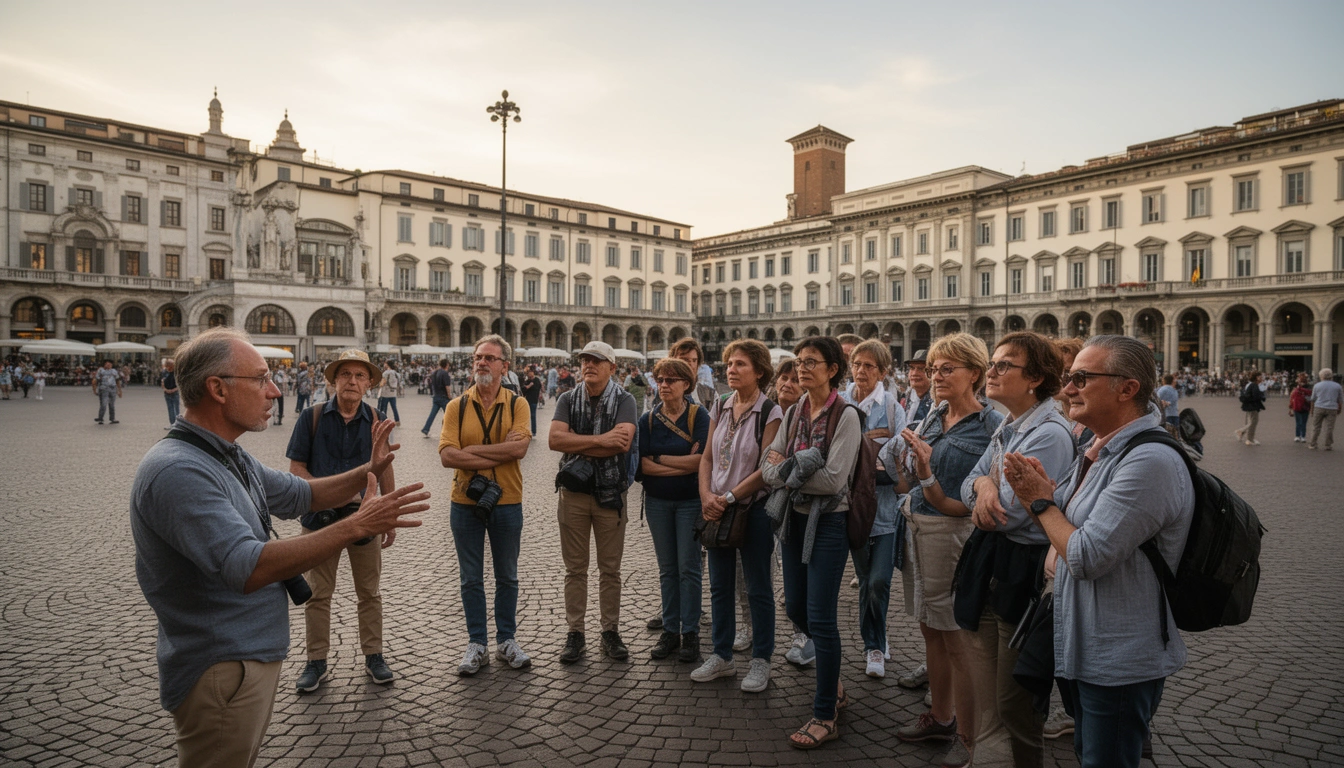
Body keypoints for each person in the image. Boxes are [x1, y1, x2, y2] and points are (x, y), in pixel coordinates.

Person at [130, 327, 429, 768]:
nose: (275, 391)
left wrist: (369, 468)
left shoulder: (226, 453)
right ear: (217, 389)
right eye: (261, 379)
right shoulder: (178, 471)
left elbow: (297, 494)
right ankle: (317, 661)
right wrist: (355, 525)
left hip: (245, 657)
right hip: (221, 665)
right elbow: (247, 566)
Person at [1003, 335, 1195, 768]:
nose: (1067, 388)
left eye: (1081, 378)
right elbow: (1062, 523)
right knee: (1089, 752)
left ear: (1127, 389)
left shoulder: (1149, 461)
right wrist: (1040, 495)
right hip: (1082, 643)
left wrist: (1040, 501)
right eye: (1069, 377)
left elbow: (1086, 555)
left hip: (1120, 657)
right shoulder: (1100, 446)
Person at [959, 332, 1075, 768]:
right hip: (995, 559)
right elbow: (970, 482)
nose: (991, 371)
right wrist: (986, 483)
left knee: (1015, 699)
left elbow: (1008, 513)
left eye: (1004, 365)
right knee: (990, 682)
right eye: (993, 362)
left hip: (1022, 568)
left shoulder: (1047, 434)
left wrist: (985, 488)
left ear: (1035, 379)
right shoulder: (1011, 424)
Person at [886, 332, 1002, 768]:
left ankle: (974, 741)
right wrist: (908, 464)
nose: (935, 376)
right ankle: (941, 715)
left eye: (946, 368)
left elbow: (979, 496)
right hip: (915, 527)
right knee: (929, 628)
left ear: (975, 373)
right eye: (933, 369)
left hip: (952, 536)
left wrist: (927, 472)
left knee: (957, 639)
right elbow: (908, 482)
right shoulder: (933, 415)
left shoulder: (992, 426)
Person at [762, 336, 860, 749]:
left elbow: (836, 478)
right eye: (798, 361)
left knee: (820, 616)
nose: (801, 368)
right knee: (795, 605)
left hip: (829, 524)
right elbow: (766, 466)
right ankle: (831, 677)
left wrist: (785, 470)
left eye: (810, 362)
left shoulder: (847, 415)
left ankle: (825, 713)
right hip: (792, 519)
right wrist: (793, 470)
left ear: (832, 369)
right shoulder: (796, 409)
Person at [287, 349, 399, 692]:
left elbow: (386, 466)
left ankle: (374, 655)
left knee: (370, 591)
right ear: (334, 380)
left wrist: (389, 515)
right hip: (319, 517)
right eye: (346, 375)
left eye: (360, 376)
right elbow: (296, 470)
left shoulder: (377, 417)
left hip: (363, 515)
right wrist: (328, 494)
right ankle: (315, 661)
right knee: (318, 594)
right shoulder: (312, 417)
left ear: (368, 384)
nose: (352, 381)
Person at [439, 335, 534, 675]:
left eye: (490, 358)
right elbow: (447, 456)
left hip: (507, 500)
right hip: (464, 501)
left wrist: (471, 451)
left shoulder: (517, 405)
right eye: (478, 357)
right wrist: (497, 449)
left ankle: (506, 639)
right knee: (470, 577)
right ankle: (477, 643)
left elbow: (519, 450)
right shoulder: (457, 406)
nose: (481, 362)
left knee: (507, 575)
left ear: (504, 366)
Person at [692, 340, 782, 692]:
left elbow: (766, 468)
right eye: (729, 363)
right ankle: (722, 655)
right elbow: (707, 459)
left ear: (759, 371)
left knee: (758, 587)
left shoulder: (770, 412)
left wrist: (727, 497)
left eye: (740, 364)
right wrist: (706, 496)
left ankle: (761, 660)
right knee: (720, 585)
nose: (731, 369)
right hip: (716, 506)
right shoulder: (721, 405)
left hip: (752, 509)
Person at [549, 341, 638, 664]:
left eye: (597, 361)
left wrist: (578, 442)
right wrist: (602, 440)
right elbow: (554, 439)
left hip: (610, 494)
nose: (589, 365)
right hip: (572, 494)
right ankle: (576, 633)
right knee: (575, 569)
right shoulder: (567, 398)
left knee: (610, 569)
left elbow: (623, 442)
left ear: (612, 368)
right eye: (585, 360)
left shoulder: (625, 400)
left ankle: (609, 631)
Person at [841, 340, 907, 679]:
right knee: (866, 579)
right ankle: (875, 643)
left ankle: (876, 643)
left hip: (884, 511)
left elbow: (901, 459)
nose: (861, 371)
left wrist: (873, 469)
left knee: (880, 581)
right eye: (857, 364)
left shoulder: (893, 408)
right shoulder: (840, 404)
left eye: (869, 366)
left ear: (883, 372)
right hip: (851, 510)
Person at [638, 357, 711, 663]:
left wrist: (660, 459)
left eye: (671, 380)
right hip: (656, 503)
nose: (664, 385)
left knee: (689, 569)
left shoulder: (699, 416)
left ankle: (690, 633)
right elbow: (641, 467)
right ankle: (671, 630)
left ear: (686, 384)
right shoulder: (648, 420)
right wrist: (681, 464)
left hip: (690, 502)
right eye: (660, 380)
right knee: (668, 570)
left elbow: (703, 461)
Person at [768, 357, 816, 668]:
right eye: (783, 378)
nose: (788, 384)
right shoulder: (769, 413)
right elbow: (768, 463)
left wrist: (783, 465)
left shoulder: (809, 416)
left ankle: (803, 634)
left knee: (798, 568)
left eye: (794, 380)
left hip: (796, 503)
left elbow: (797, 464)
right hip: (770, 499)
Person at [1308, 367, 1342, 451]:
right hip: (1332, 407)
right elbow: (1340, 399)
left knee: (1316, 426)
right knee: (1329, 427)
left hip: (1319, 407)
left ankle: (1313, 443)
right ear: (1331, 376)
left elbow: (1313, 399)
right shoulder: (1337, 386)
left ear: (1321, 376)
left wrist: (1312, 410)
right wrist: (1339, 408)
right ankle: (1328, 444)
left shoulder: (1317, 385)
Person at [421, 359, 453, 438]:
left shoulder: (434, 372)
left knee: (432, 414)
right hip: (444, 397)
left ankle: (426, 428)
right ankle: (448, 432)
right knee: (449, 415)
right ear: (447, 365)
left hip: (436, 396)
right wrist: (449, 396)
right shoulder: (445, 373)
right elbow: (447, 386)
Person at [1235, 371, 1266, 445]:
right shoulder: (1254, 385)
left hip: (1249, 406)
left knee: (1251, 422)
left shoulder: (1253, 385)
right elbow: (1255, 397)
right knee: (1253, 422)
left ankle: (1250, 438)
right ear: (1256, 377)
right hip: (1252, 406)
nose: (1261, 378)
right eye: (1260, 377)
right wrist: (1262, 396)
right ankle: (1242, 432)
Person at [93, 359, 123, 424]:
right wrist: (95, 390)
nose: (109, 365)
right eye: (107, 364)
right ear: (104, 364)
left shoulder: (114, 371)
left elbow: (117, 380)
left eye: (110, 364)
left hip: (112, 389)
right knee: (103, 404)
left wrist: (119, 391)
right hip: (103, 389)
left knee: (112, 404)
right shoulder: (101, 370)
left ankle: (112, 418)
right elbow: (95, 380)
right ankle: (100, 418)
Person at [519, 365, 542, 436]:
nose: (529, 374)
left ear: (533, 373)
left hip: (534, 400)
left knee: (533, 415)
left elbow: (539, 388)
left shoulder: (537, 380)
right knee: (526, 416)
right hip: (527, 400)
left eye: (530, 372)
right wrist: (529, 386)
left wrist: (540, 395)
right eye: (528, 373)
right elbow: (523, 390)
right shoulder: (526, 381)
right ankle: (526, 430)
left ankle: (534, 431)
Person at [1290, 373, 1312, 443]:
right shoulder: (1308, 388)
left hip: (1298, 406)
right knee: (1303, 422)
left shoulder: (1297, 388)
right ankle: (1302, 436)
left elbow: (1292, 398)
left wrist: (1290, 407)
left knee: (1299, 422)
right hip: (1304, 406)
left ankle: (1298, 436)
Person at [377, 360, 402, 425]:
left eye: (385, 364)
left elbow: (382, 383)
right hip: (393, 393)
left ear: (387, 364)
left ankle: (383, 421)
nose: (384, 365)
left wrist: (379, 384)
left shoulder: (386, 373)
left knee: (384, 408)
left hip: (385, 393)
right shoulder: (396, 373)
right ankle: (397, 420)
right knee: (394, 407)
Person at [161, 359, 181, 430]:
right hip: (167, 393)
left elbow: (179, 384)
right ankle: (172, 424)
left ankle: (178, 425)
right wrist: (165, 389)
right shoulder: (165, 372)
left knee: (176, 409)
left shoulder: (177, 373)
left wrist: (173, 390)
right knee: (170, 409)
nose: (168, 368)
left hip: (175, 393)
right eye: (167, 366)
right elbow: (162, 382)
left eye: (170, 366)